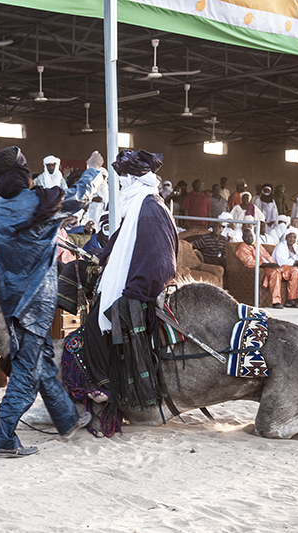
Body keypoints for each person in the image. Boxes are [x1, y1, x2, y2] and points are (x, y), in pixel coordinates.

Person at [0, 146, 104, 458]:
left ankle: (66, 420)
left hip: (11, 300)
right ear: (22, 172)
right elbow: (77, 199)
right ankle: (3, 438)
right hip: (36, 301)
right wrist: (92, 169)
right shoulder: (37, 203)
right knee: (27, 374)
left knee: (44, 365)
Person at [80, 149, 177, 437]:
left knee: (96, 325)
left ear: (136, 179)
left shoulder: (151, 208)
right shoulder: (137, 206)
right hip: (123, 278)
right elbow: (121, 238)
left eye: (124, 179)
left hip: (138, 287)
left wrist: (134, 292)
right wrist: (100, 254)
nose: (122, 184)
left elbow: (160, 259)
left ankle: (106, 388)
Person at [235, 227, 298, 309]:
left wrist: (273, 264)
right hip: (263, 268)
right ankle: (276, 301)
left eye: (251, 236)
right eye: (246, 237)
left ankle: (291, 300)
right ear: (243, 238)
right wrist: (269, 265)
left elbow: (267, 256)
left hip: (272, 265)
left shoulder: (257, 244)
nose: (249, 238)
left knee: (294, 270)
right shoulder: (242, 248)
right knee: (274, 273)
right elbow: (250, 263)